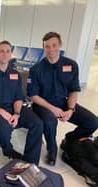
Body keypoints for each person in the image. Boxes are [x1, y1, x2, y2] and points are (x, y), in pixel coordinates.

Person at [27, 31, 98, 166]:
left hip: (64, 102)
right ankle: (52, 149)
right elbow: (33, 96)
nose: (51, 50)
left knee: (93, 122)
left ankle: (69, 140)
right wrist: (53, 109)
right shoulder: (36, 69)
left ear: (60, 45)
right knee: (50, 121)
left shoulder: (71, 65)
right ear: (44, 48)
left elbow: (73, 91)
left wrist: (70, 109)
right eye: (47, 46)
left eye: (54, 45)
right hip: (42, 104)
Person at [0, 40, 43, 165]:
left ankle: (30, 162)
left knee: (38, 123)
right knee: (4, 127)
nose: (4, 54)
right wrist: (1, 112)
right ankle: (7, 150)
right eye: (1, 51)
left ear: (10, 54)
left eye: (7, 51)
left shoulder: (15, 74)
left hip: (14, 108)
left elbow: (18, 97)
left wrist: (17, 114)